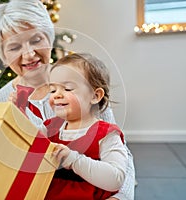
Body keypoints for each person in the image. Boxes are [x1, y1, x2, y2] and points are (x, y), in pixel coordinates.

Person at [0, 0, 135, 199]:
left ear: (49, 39)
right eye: (14, 47)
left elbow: (119, 154)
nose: (29, 54)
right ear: (3, 57)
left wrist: (120, 197)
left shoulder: (82, 86)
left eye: (36, 40)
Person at [44, 52, 127, 199]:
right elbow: (25, 139)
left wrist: (74, 160)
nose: (56, 94)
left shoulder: (106, 134)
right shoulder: (49, 128)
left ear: (95, 96)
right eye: (53, 90)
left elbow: (116, 179)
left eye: (68, 88)